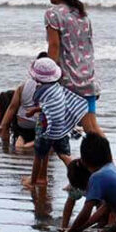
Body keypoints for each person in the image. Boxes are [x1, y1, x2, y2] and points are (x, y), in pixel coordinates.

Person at [44, 0, 103, 136]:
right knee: (91, 127)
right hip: (87, 79)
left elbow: (54, 47)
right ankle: (107, 160)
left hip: (68, 82)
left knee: (50, 126)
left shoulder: (53, 14)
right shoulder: (82, 14)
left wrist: (48, 78)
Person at [22, 57, 89, 188]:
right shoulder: (57, 88)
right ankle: (77, 180)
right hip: (61, 128)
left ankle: (33, 180)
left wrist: (33, 110)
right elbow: (54, 106)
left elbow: (46, 108)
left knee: (39, 155)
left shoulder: (43, 91)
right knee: (64, 155)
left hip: (46, 127)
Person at [0, 52, 47, 153]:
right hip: (40, 124)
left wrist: (3, 125)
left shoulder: (22, 86)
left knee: (24, 133)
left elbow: (12, 107)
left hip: (23, 122)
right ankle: (33, 142)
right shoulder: (51, 87)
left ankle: (22, 139)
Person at [61, 159, 91, 229]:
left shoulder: (97, 186)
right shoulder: (75, 185)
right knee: (72, 197)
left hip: (107, 203)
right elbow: (69, 204)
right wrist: (64, 226)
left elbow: (87, 210)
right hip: (82, 183)